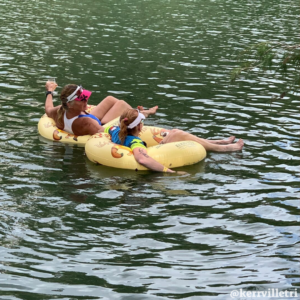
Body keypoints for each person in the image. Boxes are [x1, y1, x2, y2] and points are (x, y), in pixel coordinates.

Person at [105, 108, 244, 173]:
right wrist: (170, 172)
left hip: (150, 147)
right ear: (139, 126)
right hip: (157, 153)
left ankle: (216, 142)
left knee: (175, 132)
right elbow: (142, 159)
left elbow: (103, 130)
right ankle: (223, 147)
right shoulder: (135, 142)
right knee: (179, 134)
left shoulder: (114, 131)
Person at [44, 81, 158, 136]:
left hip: (87, 117)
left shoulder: (61, 110)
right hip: (101, 124)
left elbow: (48, 108)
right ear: (70, 104)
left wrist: (50, 91)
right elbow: (107, 134)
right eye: (82, 100)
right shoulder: (86, 122)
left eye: (86, 97)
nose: (86, 101)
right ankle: (142, 114)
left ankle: (139, 112)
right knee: (121, 103)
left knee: (110, 99)